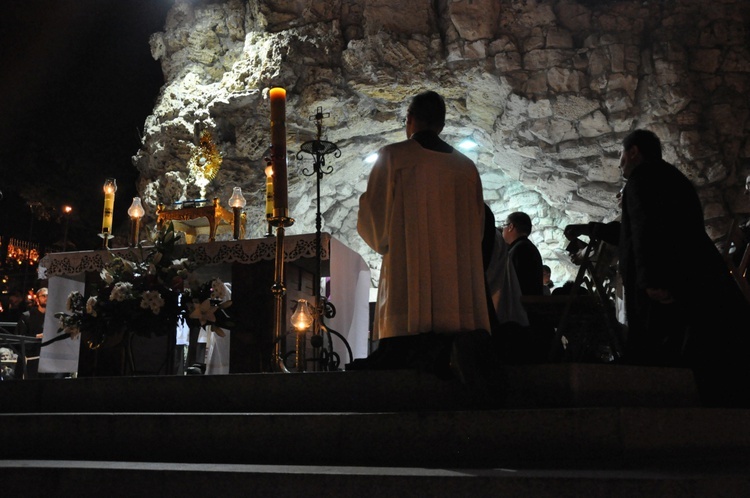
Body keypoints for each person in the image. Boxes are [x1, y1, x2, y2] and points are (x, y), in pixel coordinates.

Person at [355, 90, 492, 381]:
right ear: (442, 124)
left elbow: (376, 226)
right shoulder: (467, 168)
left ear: (409, 120)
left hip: (408, 297)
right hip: (456, 300)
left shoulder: (393, 157)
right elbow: (477, 233)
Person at [617, 129, 750, 407]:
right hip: (688, 275)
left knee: (660, 352)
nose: (620, 164)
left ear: (633, 152)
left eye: (622, 155)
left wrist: (649, 278)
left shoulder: (641, 181)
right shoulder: (676, 178)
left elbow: (645, 230)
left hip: (662, 282)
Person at [501, 212, 544, 296]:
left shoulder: (520, 249)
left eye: (504, 225)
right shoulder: (526, 246)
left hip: (522, 305)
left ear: (511, 227)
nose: (502, 229)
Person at [14, 287, 47, 378]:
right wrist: (36, 336)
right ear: (37, 299)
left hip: (45, 358)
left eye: (48, 296)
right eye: (43, 296)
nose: (46, 298)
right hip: (31, 357)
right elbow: (19, 336)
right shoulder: (27, 316)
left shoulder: (52, 317)